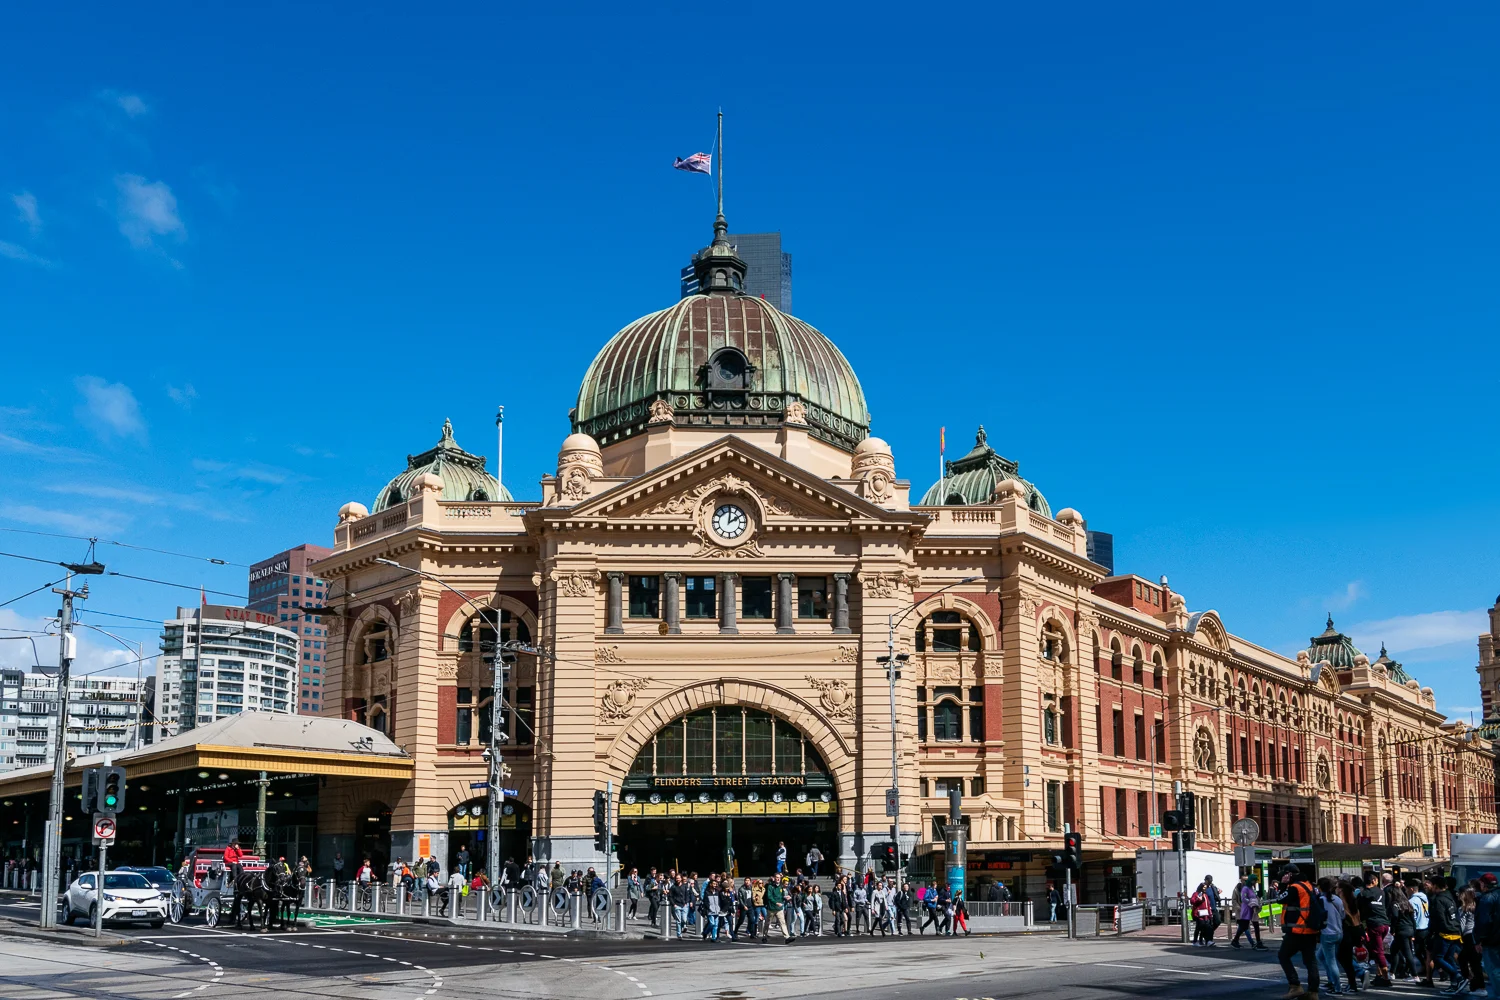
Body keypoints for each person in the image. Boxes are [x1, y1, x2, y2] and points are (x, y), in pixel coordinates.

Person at [1275, 869, 1323, 999]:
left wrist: (1282, 885)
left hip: (1297, 931)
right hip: (1311, 930)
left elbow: (1279, 899)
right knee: (1310, 961)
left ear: (1290, 875)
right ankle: (1313, 992)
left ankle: (1295, 986)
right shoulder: (1310, 886)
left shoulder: (1295, 888)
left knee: (1283, 956)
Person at [1429, 874, 1465, 992]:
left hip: (1445, 932)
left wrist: (1433, 932)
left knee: (1438, 958)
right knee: (1449, 958)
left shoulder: (1438, 899)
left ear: (1435, 886)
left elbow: (1439, 917)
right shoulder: (1450, 896)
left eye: (1431, 885)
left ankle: (1458, 977)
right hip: (1455, 930)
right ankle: (1454, 984)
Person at [1358, 871, 1393, 987]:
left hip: (1374, 924)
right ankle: (1379, 975)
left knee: (1378, 951)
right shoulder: (1381, 892)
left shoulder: (1363, 894)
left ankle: (1386, 978)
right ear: (1373, 880)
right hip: (1384, 923)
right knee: (1375, 950)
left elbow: (1359, 910)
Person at [1316, 877, 1346, 995]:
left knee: (1331, 961)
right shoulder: (1337, 899)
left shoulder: (1320, 900)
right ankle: (1331, 981)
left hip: (1327, 933)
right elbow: (1343, 915)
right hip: (1338, 932)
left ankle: (1337, 987)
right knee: (1321, 956)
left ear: (1320, 887)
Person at [1474, 872, 1500, 1000]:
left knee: (1494, 970)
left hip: (1492, 940)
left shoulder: (1487, 898)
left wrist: (1479, 940)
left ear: (1483, 884)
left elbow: (1483, 922)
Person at [1231, 875, 1266, 950]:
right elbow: (1243, 898)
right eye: (1254, 880)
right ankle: (1238, 941)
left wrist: (1257, 903)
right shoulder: (1243, 888)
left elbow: (1254, 897)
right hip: (1246, 909)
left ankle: (1257, 942)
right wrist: (1251, 903)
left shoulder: (1251, 888)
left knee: (1251, 926)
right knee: (1244, 926)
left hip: (1252, 909)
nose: (1255, 882)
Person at [765, 876, 794, 943]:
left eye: (779, 878)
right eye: (777, 877)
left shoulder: (780, 887)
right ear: (774, 878)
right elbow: (769, 896)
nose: (778, 879)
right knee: (767, 923)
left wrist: (785, 897)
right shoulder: (770, 886)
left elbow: (781, 896)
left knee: (782, 922)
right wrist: (776, 903)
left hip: (779, 908)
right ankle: (764, 936)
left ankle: (787, 937)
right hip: (771, 908)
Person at [1190, 882, 1213, 946]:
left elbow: (1208, 905)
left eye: (1205, 888)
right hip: (1198, 914)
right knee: (1200, 927)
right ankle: (1196, 941)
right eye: (1204, 887)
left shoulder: (1205, 895)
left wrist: (1210, 914)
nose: (1205, 889)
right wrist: (1198, 899)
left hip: (1205, 914)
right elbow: (1192, 901)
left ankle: (1201, 941)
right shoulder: (1196, 894)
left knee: (1203, 928)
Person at [670, 874, 693, 939]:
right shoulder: (673, 887)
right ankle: (679, 934)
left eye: (679, 878)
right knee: (678, 921)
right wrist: (674, 904)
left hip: (684, 905)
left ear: (681, 878)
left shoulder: (684, 886)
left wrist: (686, 902)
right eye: (676, 878)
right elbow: (670, 896)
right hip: (677, 905)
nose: (677, 879)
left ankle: (683, 927)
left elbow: (687, 895)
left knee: (684, 919)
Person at [1202, 874, 1222, 945]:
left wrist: (1218, 892)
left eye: (1211, 880)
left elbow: (1216, 893)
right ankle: (1209, 940)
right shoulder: (1203, 887)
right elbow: (1200, 895)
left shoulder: (1213, 887)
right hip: (1207, 909)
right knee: (1209, 924)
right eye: (1208, 880)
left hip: (1214, 908)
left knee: (1218, 921)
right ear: (1206, 880)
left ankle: (1207, 934)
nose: (1210, 882)